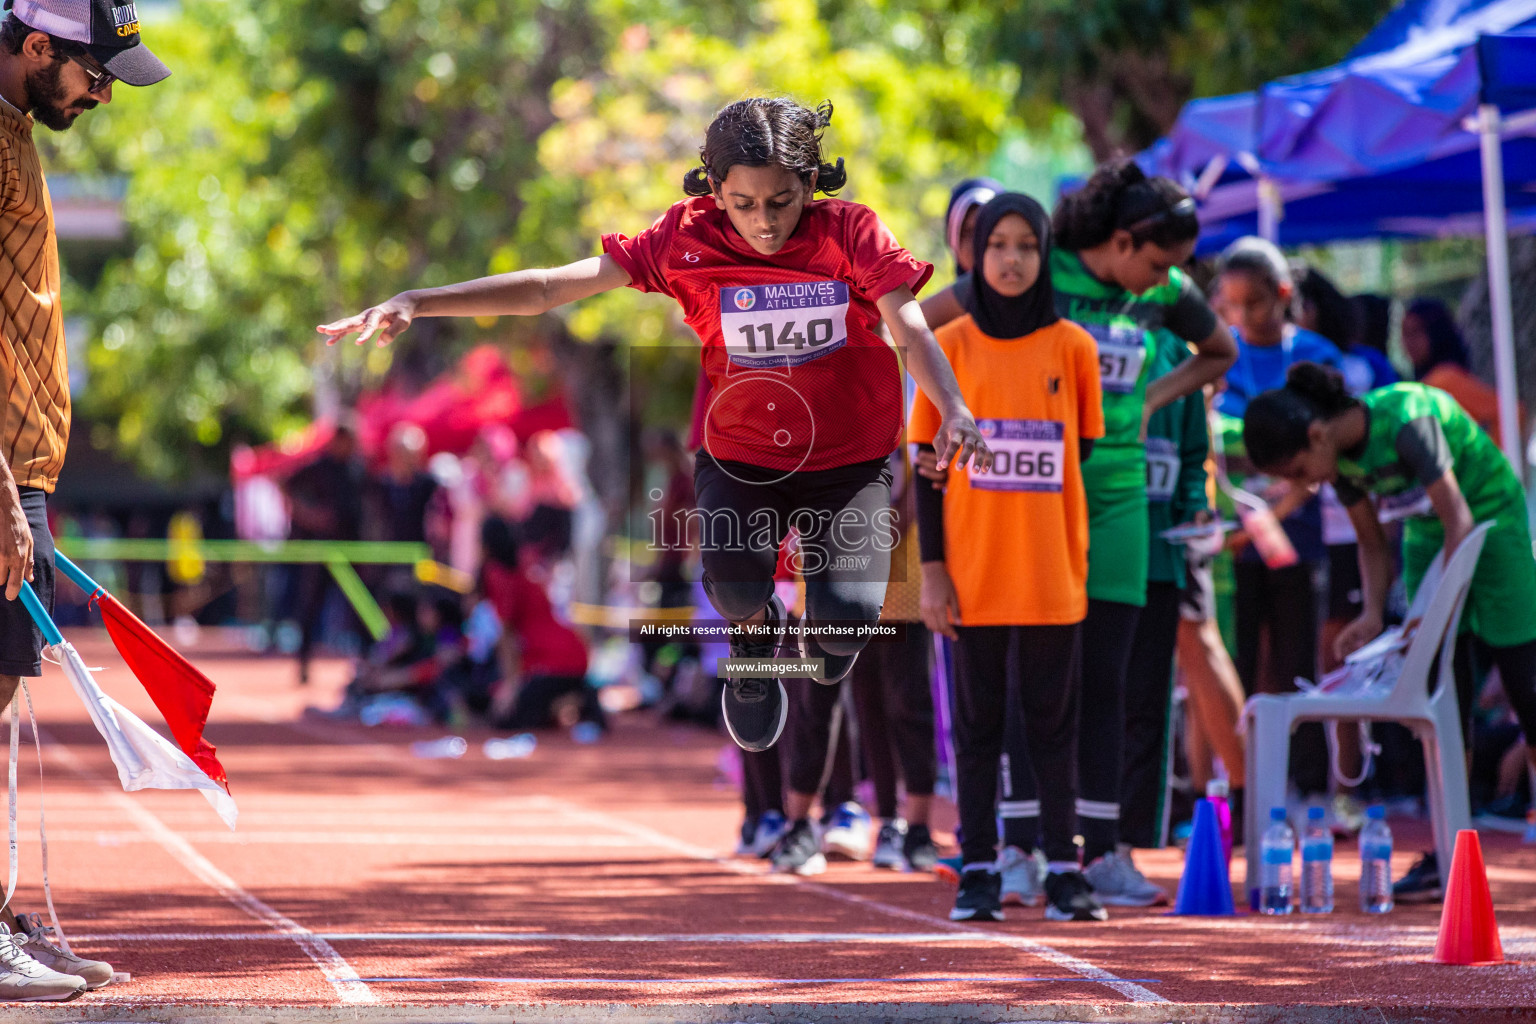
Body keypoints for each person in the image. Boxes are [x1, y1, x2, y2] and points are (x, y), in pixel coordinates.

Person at [320, 97, 989, 754]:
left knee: (844, 633)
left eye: (782, 202)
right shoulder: (685, 239)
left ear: (810, 184)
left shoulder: (851, 233)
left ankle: (807, 639)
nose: (764, 222)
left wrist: (954, 406)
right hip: (743, 458)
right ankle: (756, 638)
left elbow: (909, 324)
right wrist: (419, 301)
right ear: (715, 190)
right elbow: (549, 288)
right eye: (744, 203)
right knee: (732, 587)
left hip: (847, 460)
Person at [922, 160, 1236, 906]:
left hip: (1122, 493)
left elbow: (1220, 352)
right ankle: (1023, 848)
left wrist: (1145, 403)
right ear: (1123, 241)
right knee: (1030, 681)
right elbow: (922, 327)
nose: (1164, 277)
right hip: (1018, 503)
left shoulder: (1164, 292)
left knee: (1107, 681)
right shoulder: (1032, 260)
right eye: (1156, 261)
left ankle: (1104, 853)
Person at [0, 0, 169, 1000]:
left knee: (5, 683)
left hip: (22, 458)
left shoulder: (16, 129)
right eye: (93, 75)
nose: (100, 95)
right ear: (35, 47)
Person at [1243, 364, 1536, 902]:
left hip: (1492, 529)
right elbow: (1373, 545)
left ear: (1317, 434)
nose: (1309, 484)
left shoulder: (1407, 418)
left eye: (1304, 470)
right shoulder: (1342, 464)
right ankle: (1452, 850)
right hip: (1431, 542)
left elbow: (1462, 520)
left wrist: (1436, 606)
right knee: (1445, 704)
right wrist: (1374, 612)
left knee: (1527, 686)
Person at [914, 192, 1107, 923]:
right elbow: (923, 471)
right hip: (972, 576)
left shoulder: (1075, 349)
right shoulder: (949, 349)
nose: (1013, 259)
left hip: (1051, 571)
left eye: (1028, 245)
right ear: (975, 253)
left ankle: (1064, 869)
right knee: (976, 729)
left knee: (1055, 727)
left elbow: (1077, 453)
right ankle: (979, 870)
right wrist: (933, 572)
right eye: (998, 245)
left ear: (1045, 253)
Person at [1213, 237, 1343, 809]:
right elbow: (1216, 452)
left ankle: (1311, 791)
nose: (1244, 317)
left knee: (1298, 665)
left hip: (1300, 539)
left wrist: (1279, 508)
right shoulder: (1219, 353)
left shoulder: (1316, 356)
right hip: (1234, 543)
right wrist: (1241, 508)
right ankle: (1243, 792)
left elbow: (1326, 450)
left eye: (1257, 303)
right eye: (1233, 304)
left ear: (1284, 294)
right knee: (1239, 665)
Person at [1120, 330, 1212, 851]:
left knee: (1148, 702)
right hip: (1095, 559)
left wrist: (1195, 502)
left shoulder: (1184, 355)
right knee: (1086, 697)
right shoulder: (1088, 330)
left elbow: (1196, 456)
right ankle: (1071, 833)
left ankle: (1136, 840)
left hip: (1161, 558)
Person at [283, 421, 365, 685]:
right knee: (310, 606)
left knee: (360, 609)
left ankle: (365, 664)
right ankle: (303, 662)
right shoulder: (319, 468)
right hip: (321, 549)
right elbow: (286, 485)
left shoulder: (358, 468)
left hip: (351, 549)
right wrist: (308, 516)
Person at [1401, 298, 1524, 437]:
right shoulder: (1428, 380)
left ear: (1436, 332)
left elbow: (1512, 412)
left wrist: (1489, 456)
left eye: (1416, 332)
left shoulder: (1444, 379)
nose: (1409, 342)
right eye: (1405, 333)